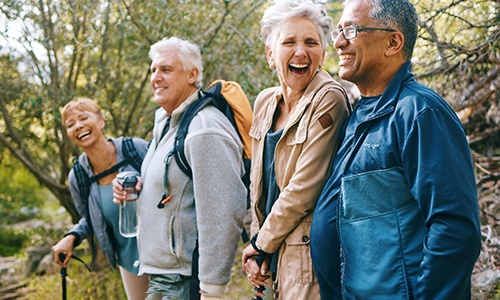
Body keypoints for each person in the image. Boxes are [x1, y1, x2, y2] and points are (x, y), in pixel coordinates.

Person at [310, 0, 482, 299]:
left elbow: (454, 230)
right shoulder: (359, 116)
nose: (338, 42)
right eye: (338, 31)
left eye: (351, 30)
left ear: (393, 42)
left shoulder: (419, 112)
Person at [113, 36, 247, 300]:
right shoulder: (168, 122)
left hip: (185, 281)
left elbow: (225, 212)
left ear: (192, 74)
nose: (156, 77)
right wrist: (138, 185)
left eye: (166, 69)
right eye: (153, 70)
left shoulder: (204, 128)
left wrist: (212, 289)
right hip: (163, 275)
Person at [240, 0, 351, 299]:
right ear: (270, 54)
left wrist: (261, 243)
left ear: (323, 53)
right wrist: (257, 244)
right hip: (272, 252)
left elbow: (304, 189)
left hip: (308, 260)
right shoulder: (264, 101)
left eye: (311, 42)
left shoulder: (329, 99)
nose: (300, 52)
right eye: (288, 41)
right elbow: (257, 184)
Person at [52, 97, 149, 300]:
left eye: (83, 118)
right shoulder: (78, 177)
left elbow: (169, 185)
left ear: (100, 121)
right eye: (71, 125)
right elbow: (90, 218)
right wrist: (72, 237)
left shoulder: (135, 149)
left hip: (165, 251)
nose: (78, 126)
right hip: (129, 260)